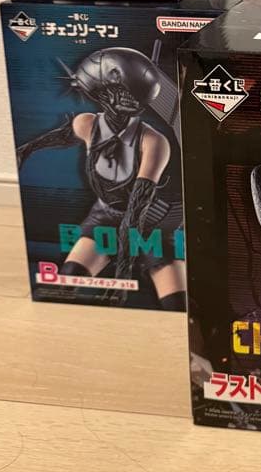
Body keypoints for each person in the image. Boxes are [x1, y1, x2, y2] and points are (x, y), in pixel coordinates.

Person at [16, 47, 186, 310]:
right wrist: (26, 149)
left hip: (156, 223)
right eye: (121, 91)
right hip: (105, 215)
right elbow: (61, 137)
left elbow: (137, 210)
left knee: (176, 304)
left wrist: (123, 276)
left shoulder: (153, 141)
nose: (130, 100)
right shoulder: (87, 124)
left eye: (135, 93)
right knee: (66, 282)